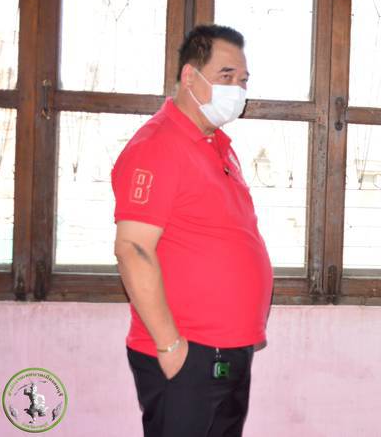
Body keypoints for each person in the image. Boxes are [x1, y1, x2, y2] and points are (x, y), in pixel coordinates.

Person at [112, 24, 273, 437]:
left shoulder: (217, 146)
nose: (237, 89)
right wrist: (170, 347)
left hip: (228, 350)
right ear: (190, 76)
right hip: (188, 353)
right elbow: (133, 248)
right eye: (226, 76)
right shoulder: (158, 145)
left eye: (243, 80)